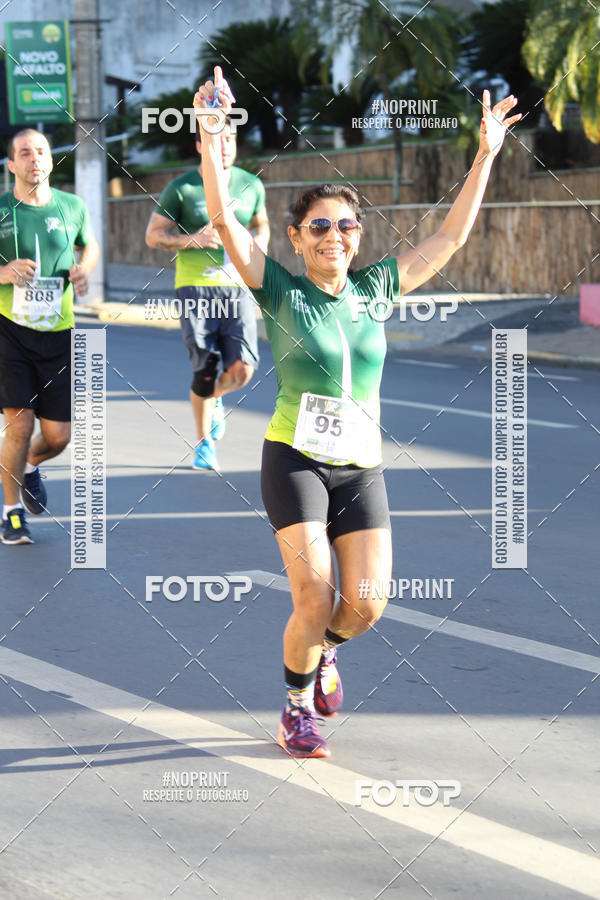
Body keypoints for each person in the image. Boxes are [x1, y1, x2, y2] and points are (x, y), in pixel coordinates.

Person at [194, 67, 521, 757]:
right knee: (313, 597)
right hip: (296, 459)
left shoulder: (375, 289)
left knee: (366, 604)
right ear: (295, 236)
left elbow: (451, 240)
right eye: (319, 226)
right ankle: (294, 707)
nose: (334, 235)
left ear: (359, 235)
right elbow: (223, 219)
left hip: (362, 467)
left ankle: (325, 655)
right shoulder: (281, 291)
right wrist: (212, 132)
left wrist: (485, 155)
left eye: (345, 225)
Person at [145, 120, 270, 471]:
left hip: (236, 287)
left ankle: (214, 399)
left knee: (243, 369)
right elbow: (153, 236)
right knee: (206, 368)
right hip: (195, 288)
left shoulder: (251, 184)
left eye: (230, 139)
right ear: (201, 146)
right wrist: (191, 240)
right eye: (217, 141)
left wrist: (256, 250)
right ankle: (203, 444)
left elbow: (262, 223)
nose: (225, 146)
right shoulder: (182, 189)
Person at [0, 129, 99, 545]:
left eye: (40, 151)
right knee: (19, 427)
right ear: (11, 165)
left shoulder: (72, 206)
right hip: (10, 331)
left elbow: (88, 246)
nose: (34, 158)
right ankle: (11, 513)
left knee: (59, 436)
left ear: (51, 161)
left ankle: (27, 467)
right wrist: (2, 273)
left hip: (59, 332)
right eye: (24, 153)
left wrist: (84, 268)